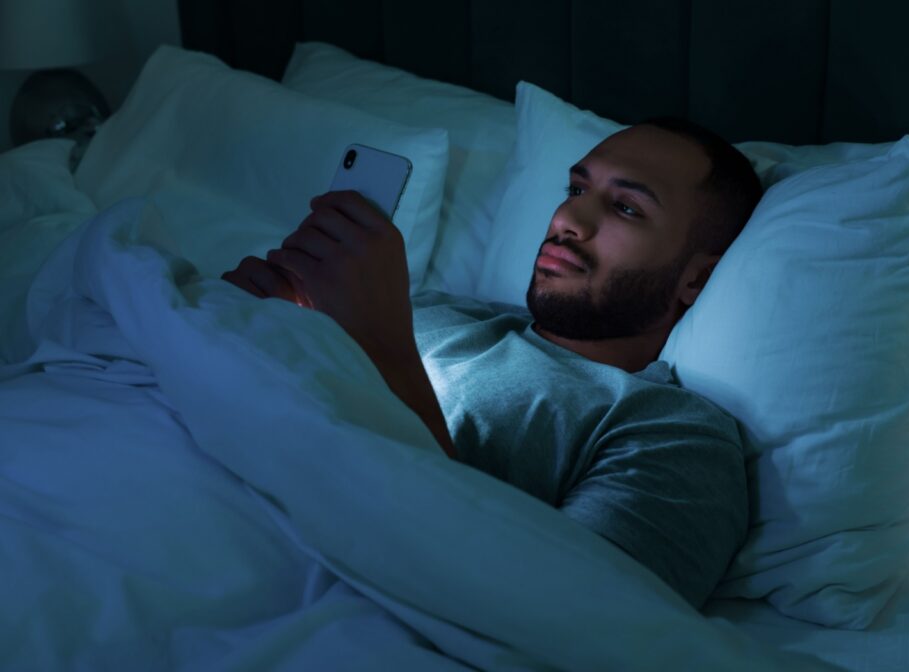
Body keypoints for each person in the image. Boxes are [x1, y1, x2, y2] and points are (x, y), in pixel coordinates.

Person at [222, 118, 764, 609]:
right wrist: (234, 324)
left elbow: (573, 624)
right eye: (576, 189)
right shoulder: (433, 309)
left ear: (694, 278)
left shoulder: (673, 432)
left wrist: (382, 345)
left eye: (626, 207)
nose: (568, 218)